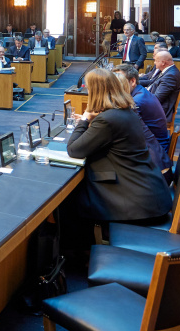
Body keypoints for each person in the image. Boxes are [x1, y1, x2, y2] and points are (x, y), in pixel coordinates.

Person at [65, 68, 172, 223]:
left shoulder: (107, 120)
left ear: (96, 91)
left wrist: (85, 118)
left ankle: (80, 246)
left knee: (69, 200)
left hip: (138, 205)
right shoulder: (126, 112)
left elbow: (74, 149)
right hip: (150, 194)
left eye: (88, 88)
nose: (87, 93)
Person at [114, 64, 171, 154]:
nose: (115, 87)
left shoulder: (137, 101)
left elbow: (122, 131)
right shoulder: (141, 92)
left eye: (119, 82)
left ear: (132, 81)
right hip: (155, 147)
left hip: (154, 153)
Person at [141, 50, 180, 122]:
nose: (154, 63)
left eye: (156, 61)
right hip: (154, 103)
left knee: (128, 111)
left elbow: (157, 99)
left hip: (159, 110)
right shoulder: (167, 71)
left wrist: (139, 97)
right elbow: (151, 83)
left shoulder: (170, 76)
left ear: (163, 62)